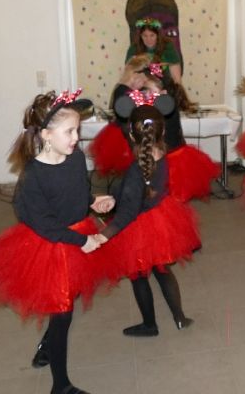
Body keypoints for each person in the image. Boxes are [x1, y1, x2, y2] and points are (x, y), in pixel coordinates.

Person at [0, 90, 116, 394]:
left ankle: (47, 344)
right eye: (69, 131)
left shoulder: (75, 159)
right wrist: (80, 240)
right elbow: (42, 222)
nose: (76, 138)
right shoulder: (34, 175)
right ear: (46, 135)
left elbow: (77, 192)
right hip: (51, 244)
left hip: (77, 236)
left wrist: (93, 201)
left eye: (78, 130)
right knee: (63, 311)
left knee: (67, 298)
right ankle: (61, 385)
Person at [95, 103, 201, 336]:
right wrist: (115, 197)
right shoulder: (161, 156)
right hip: (160, 219)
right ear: (161, 132)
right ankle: (180, 317)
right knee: (162, 271)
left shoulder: (137, 169)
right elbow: (141, 192)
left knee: (139, 276)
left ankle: (150, 325)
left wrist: (103, 235)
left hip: (139, 228)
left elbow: (128, 212)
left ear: (132, 135)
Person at [144, 72, 220, 202]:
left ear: (163, 93)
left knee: (173, 196)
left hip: (174, 159)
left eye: (151, 91)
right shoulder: (158, 106)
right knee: (163, 196)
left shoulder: (166, 107)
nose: (147, 95)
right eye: (145, 91)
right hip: (163, 156)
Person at [89, 55, 150, 177]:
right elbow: (126, 117)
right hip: (124, 135)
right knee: (130, 170)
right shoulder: (123, 91)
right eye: (143, 81)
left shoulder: (126, 90)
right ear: (135, 76)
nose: (144, 84)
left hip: (128, 132)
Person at [126, 16, 182, 84]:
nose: (148, 39)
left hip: (165, 85)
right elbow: (129, 73)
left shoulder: (167, 47)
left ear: (157, 35)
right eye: (145, 36)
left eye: (152, 35)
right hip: (142, 85)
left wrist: (177, 89)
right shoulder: (134, 49)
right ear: (140, 36)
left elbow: (176, 77)